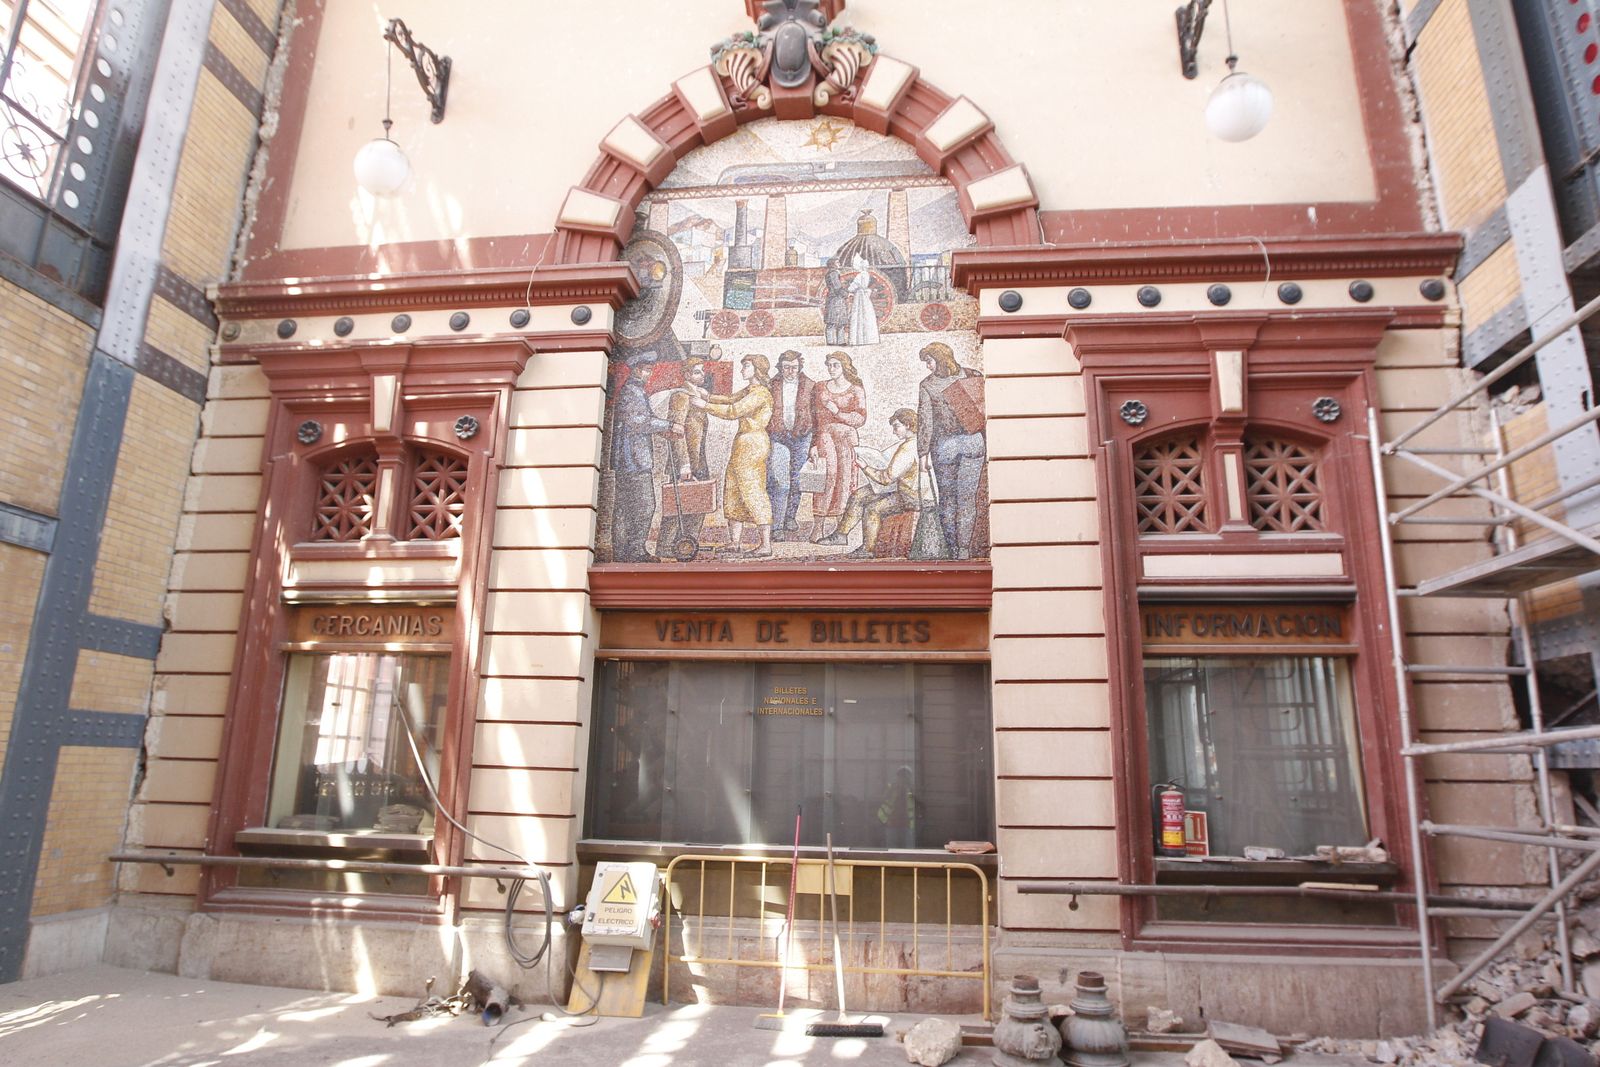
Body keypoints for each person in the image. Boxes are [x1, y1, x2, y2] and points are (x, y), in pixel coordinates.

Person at [692, 354, 775, 557]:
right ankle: (734, 542)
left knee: (753, 490)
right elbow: (730, 399)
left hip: (753, 443)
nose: (742, 370)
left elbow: (733, 410)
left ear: (757, 369)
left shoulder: (761, 394)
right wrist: (708, 396)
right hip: (742, 443)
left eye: (746, 366)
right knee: (733, 489)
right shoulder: (750, 390)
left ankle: (765, 545)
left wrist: (705, 405)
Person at [817, 408, 922, 559]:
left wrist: (865, 466)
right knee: (860, 494)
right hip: (901, 488)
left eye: (897, 426)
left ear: (908, 425)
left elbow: (886, 479)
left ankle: (868, 549)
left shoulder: (908, 448)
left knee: (873, 509)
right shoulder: (910, 442)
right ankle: (841, 534)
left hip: (910, 496)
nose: (894, 431)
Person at [916, 341, 986, 559]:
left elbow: (926, 423)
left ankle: (953, 549)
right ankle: (964, 551)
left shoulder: (927, 385)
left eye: (929, 361)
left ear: (940, 358)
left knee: (947, 500)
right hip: (974, 442)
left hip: (944, 447)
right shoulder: (972, 375)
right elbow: (985, 412)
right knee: (967, 500)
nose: (928, 366)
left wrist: (922, 453)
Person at [610, 351, 682, 563]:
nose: (648, 374)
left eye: (650, 370)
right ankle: (635, 552)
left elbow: (642, 420)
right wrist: (669, 425)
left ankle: (622, 553)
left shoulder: (633, 390)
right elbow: (639, 421)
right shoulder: (632, 391)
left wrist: (662, 429)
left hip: (627, 458)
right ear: (636, 369)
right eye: (646, 369)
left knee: (624, 508)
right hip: (633, 458)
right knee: (645, 506)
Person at [808, 351, 867, 542]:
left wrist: (838, 412)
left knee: (845, 480)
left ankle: (842, 529)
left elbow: (860, 418)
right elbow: (815, 419)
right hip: (825, 437)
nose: (831, 369)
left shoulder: (856, 389)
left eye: (835, 365)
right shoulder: (820, 388)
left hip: (847, 438)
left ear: (844, 367)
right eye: (829, 365)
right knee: (827, 477)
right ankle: (818, 528)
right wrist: (813, 445)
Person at [765, 350, 815, 541]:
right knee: (779, 481)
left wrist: (814, 444)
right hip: (778, 436)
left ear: (799, 367)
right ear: (781, 368)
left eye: (794, 367)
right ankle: (776, 526)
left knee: (797, 479)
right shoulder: (772, 384)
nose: (790, 371)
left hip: (802, 436)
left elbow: (816, 416)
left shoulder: (810, 385)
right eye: (786, 367)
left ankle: (790, 516)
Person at [846, 255, 879, 346]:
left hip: (859, 296)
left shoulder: (859, 276)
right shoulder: (867, 274)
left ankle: (858, 340)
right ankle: (869, 339)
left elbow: (852, 287)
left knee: (858, 315)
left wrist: (849, 289)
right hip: (865, 296)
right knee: (866, 315)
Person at [822, 265, 849, 345]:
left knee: (835, 322)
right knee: (834, 322)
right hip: (836, 299)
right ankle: (837, 341)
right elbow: (837, 287)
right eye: (837, 262)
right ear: (833, 264)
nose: (839, 263)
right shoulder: (833, 273)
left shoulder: (831, 273)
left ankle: (834, 341)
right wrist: (846, 294)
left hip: (834, 299)